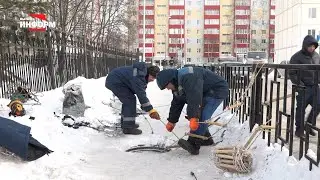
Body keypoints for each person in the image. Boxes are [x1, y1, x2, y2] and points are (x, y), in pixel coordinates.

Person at [156, 66, 229, 155]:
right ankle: (206, 139)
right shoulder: (177, 83)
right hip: (204, 92)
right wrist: (172, 121)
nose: (167, 88)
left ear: (171, 80)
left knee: (202, 114)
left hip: (216, 90)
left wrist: (194, 117)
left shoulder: (189, 77)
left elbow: (194, 98)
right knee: (196, 112)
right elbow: (177, 102)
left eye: (167, 86)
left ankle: (194, 143)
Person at [105, 62, 161, 135]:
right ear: (149, 73)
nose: (153, 80)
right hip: (115, 82)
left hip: (117, 80)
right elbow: (141, 94)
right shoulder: (138, 76)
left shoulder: (141, 74)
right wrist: (150, 110)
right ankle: (128, 128)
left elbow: (141, 91)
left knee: (129, 100)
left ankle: (125, 123)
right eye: (153, 77)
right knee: (129, 100)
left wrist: (144, 106)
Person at [289, 35, 320, 138]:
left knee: (318, 105)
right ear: (305, 45)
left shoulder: (316, 56)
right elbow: (292, 73)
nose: (312, 48)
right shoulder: (296, 57)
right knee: (301, 109)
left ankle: (309, 126)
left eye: (314, 46)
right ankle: (299, 130)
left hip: (315, 87)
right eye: (310, 46)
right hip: (303, 87)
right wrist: (300, 85)